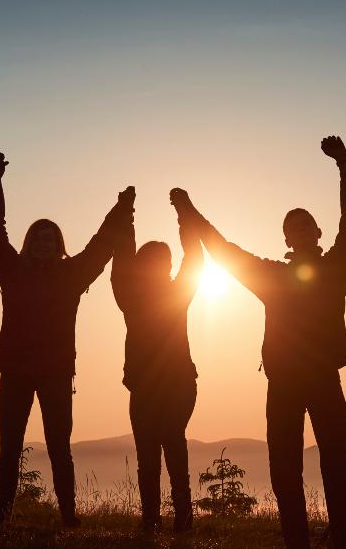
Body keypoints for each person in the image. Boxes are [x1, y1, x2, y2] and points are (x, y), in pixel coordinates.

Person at [172, 136, 346, 548]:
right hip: (283, 383)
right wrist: (188, 211)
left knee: (336, 461)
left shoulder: (335, 268)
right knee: (283, 467)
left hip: (324, 377)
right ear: (287, 238)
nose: (299, 230)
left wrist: (344, 166)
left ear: (317, 232)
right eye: (291, 227)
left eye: (305, 224)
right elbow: (225, 251)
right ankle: (296, 539)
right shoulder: (273, 278)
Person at [0, 156, 132, 528]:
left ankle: (68, 516)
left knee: (60, 448)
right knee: (10, 446)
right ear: (28, 243)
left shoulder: (71, 274)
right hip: (15, 370)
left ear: (59, 244)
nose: (44, 244)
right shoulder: (10, 269)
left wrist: (121, 208)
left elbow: (100, 247)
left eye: (50, 239)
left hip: (55, 372)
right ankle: (4, 513)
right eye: (38, 238)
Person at [110, 187, 203, 532]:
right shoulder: (130, 297)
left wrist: (183, 213)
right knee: (150, 454)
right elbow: (122, 257)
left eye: (164, 261)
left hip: (178, 385)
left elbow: (194, 259)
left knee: (170, 444)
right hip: (147, 387)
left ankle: (180, 517)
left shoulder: (177, 294)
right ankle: (153, 518)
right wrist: (126, 213)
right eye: (155, 260)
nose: (161, 265)